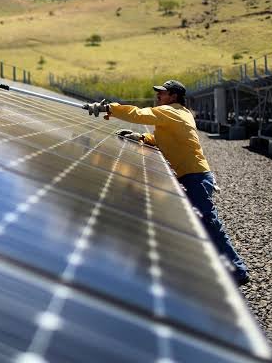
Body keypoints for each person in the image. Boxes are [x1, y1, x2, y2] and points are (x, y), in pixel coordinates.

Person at [84, 80, 250, 285]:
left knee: (208, 224)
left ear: (173, 96)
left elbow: (138, 114)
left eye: (162, 93)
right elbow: (165, 139)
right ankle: (213, 268)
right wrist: (142, 137)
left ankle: (237, 270)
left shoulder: (172, 112)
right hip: (194, 175)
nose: (158, 96)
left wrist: (107, 108)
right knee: (197, 224)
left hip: (195, 177)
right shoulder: (179, 113)